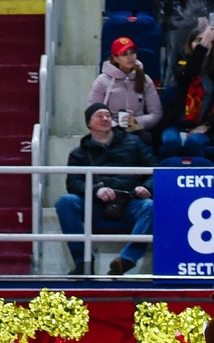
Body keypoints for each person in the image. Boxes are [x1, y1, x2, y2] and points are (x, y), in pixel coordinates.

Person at [58, 102, 156, 276]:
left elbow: (155, 171)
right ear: (89, 123)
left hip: (129, 201)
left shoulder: (134, 143)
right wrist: (96, 190)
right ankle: (83, 262)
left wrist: (146, 187)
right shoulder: (78, 153)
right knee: (65, 202)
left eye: (108, 115)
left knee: (150, 206)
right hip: (96, 205)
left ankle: (126, 260)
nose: (105, 118)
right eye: (99, 115)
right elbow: (73, 184)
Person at [160, 23, 214, 161]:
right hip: (177, 124)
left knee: (194, 143)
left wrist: (206, 126)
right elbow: (188, 73)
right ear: (190, 44)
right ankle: (161, 179)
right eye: (198, 41)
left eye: (206, 40)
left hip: (207, 127)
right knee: (171, 142)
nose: (203, 43)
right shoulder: (182, 62)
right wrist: (204, 43)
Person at [90, 37, 164, 146]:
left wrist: (136, 122)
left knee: (135, 143)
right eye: (124, 54)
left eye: (132, 53)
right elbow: (93, 112)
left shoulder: (145, 80)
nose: (130, 57)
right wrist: (115, 125)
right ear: (115, 58)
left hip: (137, 131)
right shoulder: (102, 81)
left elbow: (156, 113)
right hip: (109, 131)